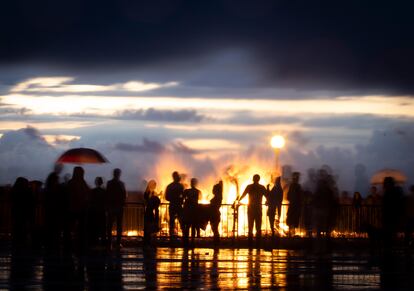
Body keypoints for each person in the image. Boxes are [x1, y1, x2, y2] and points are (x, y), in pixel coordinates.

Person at [238, 174, 267, 244]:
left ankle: (250, 242)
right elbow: (267, 196)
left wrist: (238, 200)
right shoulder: (262, 187)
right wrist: (267, 201)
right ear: (259, 179)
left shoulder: (249, 187)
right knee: (258, 226)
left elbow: (243, 195)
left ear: (253, 179)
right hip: (258, 209)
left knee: (250, 225)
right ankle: (258, 242)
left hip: (251, 209)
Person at [67, 167, 90, 250]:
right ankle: (80, 245)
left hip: (72, 209)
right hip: (81, 209)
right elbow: (87, 192)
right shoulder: (82, 183)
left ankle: (70, 244)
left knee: (70, 228)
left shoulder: (70, 183)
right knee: (81, 229)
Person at [11, 177, 34, 248]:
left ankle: (17, 243)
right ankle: (22, 243)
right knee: (23, 228)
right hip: (24, 213)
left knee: (17, 228)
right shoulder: (27, 191)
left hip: (16, 213)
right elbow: (31, 200)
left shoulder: (14, 191)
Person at [44, 163, 64, 248]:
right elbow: (55, 190)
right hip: (53, 206)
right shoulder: (54, 177)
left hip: (50, 205)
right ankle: (52, 242)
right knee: (53, 225)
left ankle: (50, 242)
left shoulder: (51, 176)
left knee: (50, 225)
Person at [382, 176, 404, 250]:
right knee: (391, 234)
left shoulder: (389, 192)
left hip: (389, 216)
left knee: (388, 234)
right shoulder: (395, 192)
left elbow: (386, 205)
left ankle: (389, 249)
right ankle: (391, 249)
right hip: (393, 216)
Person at [106, 168, 127, 247]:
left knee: (109, 225)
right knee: (119, 225)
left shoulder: (109, 183)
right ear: (119, 174)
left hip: (111, 207)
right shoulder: (121, 184)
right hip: (119, 207)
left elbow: (107, 195)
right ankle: (118, 242)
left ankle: (109, 242)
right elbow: (124, 194)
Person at [165, 171, 184, 239]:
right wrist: (180, 200)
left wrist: (172, 199)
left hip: (172, 205)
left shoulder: (170, 186)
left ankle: (171, 235)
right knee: (181, 220)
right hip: (178, 205)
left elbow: (166, 197)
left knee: (172, 221)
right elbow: (183, 196)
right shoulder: (180, 186)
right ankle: (184, 235)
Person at [88, 177, 107, 246]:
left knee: (95, 228)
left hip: (94, 213)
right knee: (102, 229)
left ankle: (94, 242)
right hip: (102, 212)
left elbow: (90, 201)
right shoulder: (104, 191)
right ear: (101, 182)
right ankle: (103, 243)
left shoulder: (93, 191)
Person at [182, 178, 201, 246]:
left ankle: (186, 241)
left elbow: (182, 198)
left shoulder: (187, 191)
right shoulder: (197, 191)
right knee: (193, 226)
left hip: (188, 211)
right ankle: (192, 241)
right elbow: (199, 199)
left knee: (188, 226)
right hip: (194, 210)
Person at [143, 180, 161, 246]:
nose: (155, 186)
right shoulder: (148, 192)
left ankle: (147, 241)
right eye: (154, 185)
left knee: (148, 227)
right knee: (149, 227)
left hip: (149, 212)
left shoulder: (150, 192)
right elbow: (147, 199)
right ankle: (148, 242)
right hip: (149, 212)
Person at [286, 172, 303, 236]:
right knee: (293, 220)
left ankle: (291, 234)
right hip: (295, 207)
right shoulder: (296, 186)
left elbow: (288, 196)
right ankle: (292, 233)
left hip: (294, 206)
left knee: (292, 220)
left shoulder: (294, 186)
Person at [210, 180, 223, 244]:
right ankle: (216, 241)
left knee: (215, 228)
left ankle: (217, 241)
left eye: (214, 189)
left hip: (215, 214)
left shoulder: (218, 197)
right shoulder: (218, 197)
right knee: (214, 228)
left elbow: (215, 205)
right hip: (214, 214)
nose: (212, 190)